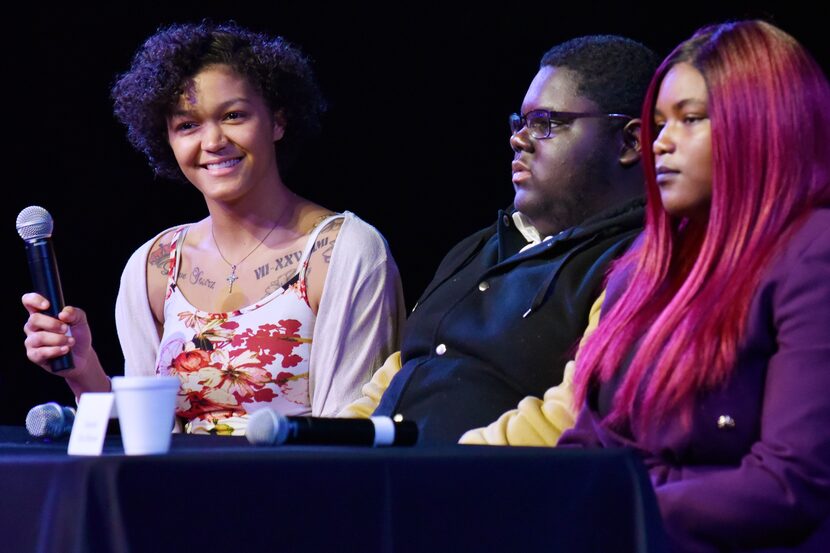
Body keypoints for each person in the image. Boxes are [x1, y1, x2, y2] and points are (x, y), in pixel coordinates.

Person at [22, 22, 404, 435]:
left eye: (234, 115)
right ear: (166, 139)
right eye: (188, 125)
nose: (213, 140)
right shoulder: (155, 265)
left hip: (299, 492)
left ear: (277, 121)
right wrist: (83, 369)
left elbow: (350, 432)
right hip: (171, 494)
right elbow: (146, 434)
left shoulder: (343, 251)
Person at [559, 20, 830, 552]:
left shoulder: (811, 253)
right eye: (659, 122)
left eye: (690, 119)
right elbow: (588, 445)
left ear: (764, 126)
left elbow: (789, 486)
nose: (661, 143)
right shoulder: (643, 267)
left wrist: (619, 502)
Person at [341, 36, 659, 445]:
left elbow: (571, 416)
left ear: (629, 141)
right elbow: (394, 379)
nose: (519, 139)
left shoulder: (640, 258)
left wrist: (436, 469)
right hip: (389, 483)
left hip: (483, 495)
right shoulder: (475, 248)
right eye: (521, 123)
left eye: (546, 123)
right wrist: (330, 450)